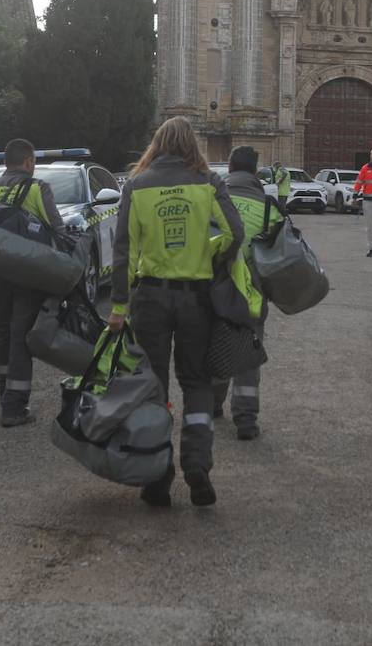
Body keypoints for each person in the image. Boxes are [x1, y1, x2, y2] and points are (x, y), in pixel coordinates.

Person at [109, 117, 244, 508]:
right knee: (196, 381)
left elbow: (123, 252)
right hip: (196, 298)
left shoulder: (136, 185)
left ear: (158, 143)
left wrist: (119, 306)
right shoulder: (208, 182)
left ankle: (157, 475)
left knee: (154, 386)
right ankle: (198, 464)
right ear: (191, 145)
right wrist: (212, 255)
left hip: (150, 297)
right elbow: (235, 232)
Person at [0, 138, 68, 427]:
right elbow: (58, 230)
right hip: (28, 274)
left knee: (3, 334)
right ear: (28, 162)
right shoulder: (37, 187)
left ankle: (5, 397)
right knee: (21, 336)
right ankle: (14, 408)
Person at [212, 146, 280, 441]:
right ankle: (246, 420)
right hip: (252, 293)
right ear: (255, 172)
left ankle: (213, 405)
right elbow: (281, 255)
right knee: (248, 354)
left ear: (229, 167)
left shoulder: (211, 199)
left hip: (214, 290)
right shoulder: (269, 207)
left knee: (214, 346)